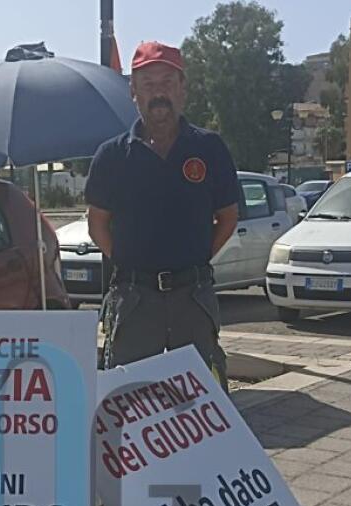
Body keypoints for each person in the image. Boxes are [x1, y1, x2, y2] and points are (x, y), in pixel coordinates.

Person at [85, 41, 239, 384]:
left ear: (183, 88)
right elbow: (97, 225)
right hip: (135, 300)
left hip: (193, 297)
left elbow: (228, 218)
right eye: (148, 84)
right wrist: (130, 262)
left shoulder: (209, 148)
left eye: (167, 82)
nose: (158, 93)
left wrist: (196, 258)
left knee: (201, 396)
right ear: (133, 92)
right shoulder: (112, 156)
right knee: (130, 396)